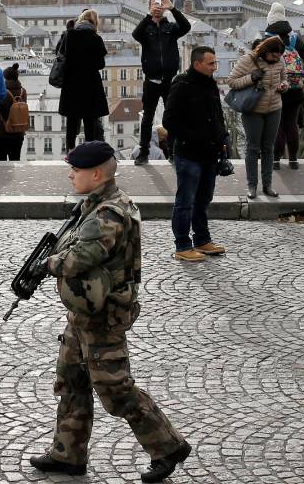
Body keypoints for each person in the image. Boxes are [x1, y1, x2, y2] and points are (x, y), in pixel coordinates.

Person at [27, 142, 192, 483]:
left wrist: (49, 264)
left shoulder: (107, 214)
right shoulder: (97, 204)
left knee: (116, 391)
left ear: (97, 174)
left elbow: (79, 258)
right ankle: (67, 454)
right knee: (71, 380)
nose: (71, 174)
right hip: (85, 312)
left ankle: (167, 446)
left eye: (76, 170)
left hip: (103, 317)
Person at [163, 46, 229, 262]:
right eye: (211, 63)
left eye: (215, 63)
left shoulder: (209, 83)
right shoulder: (181, 85)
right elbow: (170, 120)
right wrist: (194, 137)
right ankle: (182, 244)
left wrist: (222, 139)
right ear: (197, 63)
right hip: (189, 152)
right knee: (185, 200)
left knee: (203, 199)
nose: (215, 67)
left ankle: (202, 239)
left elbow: (217, 115)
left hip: (210, 152)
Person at [131, 0, 191, 166]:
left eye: (159, 5)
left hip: (169, 80)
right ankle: (144, 152)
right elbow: (136, 35)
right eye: (153, 5)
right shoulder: (146, 28)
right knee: (147, 118)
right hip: (151, 80)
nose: (157, 7)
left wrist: (172, 8)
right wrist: (149, 17)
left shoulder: (170, 28)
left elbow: (186, 27)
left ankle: (173, 151)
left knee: (171, 117)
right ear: (149, 7)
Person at [227, 36, 286, 199]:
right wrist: (251, 77)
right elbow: (231, 82)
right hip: (253, 110)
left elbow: (284, 78)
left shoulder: (280, 60)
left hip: (274, 108)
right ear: (265, 51)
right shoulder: (248, 60)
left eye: (279, 56)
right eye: (274, 56)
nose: (277, 59)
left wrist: (284, 86)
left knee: (268, 147)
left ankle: (267, 185)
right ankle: (252, 185)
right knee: (253, 148)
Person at [265, 4, 304, 169]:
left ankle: (276, 160)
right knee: (291, 124)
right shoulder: (296, 40)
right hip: (295, 91)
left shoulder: (265, 40)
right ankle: (293, 159)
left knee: (277, 125)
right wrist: (301, 81)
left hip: (275, 88)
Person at [58, 10, 109, 151]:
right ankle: (89, 151)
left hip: (71, 84)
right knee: (89, 120)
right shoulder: (96, 39)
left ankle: (70, 150)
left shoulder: (69, 35)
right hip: (90, 84)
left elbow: (60, 54)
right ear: (95, 22)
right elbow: (101, 64)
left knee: (72, 120)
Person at [0, 63, 27, 161]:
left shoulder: (1, 92)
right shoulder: (23, 91)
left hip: (1, 132)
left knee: (0, 162)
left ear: (5, 78)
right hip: (18, 132)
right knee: (15, 160)